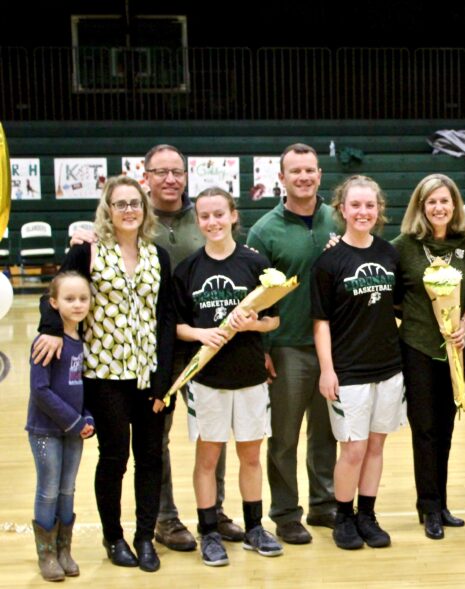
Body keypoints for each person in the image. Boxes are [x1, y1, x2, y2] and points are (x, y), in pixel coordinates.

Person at [65, 144, 244, 549]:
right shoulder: (121, 230)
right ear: (145, 176)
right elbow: (71, 281)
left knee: (212, 434)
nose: (170, 179)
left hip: (206, 346)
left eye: (176, 171)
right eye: (160, 172)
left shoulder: (204, 216)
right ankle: (165, 519)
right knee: (151, 444)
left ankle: (213, 512)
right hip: (149, 353)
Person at [33, 175, 176, 571]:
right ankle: (113, 537)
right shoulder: (88, 252)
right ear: (108, 211)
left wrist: (165, 378)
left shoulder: (158, 256)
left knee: (151, 457)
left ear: (145, 209)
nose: (129, 210)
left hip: (149, 376)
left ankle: (144, 536)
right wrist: (50, 329)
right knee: (114, 457)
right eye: (120, 204)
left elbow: (166, 318)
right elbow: (55, 294)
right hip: (103, 375)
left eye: (135, 203)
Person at [172, 188, 284, 566]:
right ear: (197, 221)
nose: (213, 222)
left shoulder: (255, 263)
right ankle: (209, 532)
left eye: (219, 214)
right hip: (207, 381)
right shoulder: (188, 269)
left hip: (251, 377)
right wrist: (201, 334)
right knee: (208, 459)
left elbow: (274, 319)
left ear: (233, 215)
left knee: (250, 457)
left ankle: (254, 528)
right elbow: (177, 326)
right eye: (205, 216)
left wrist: (253, 324)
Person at [247, 143, 338, 544]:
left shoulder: (338, 218)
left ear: (320, 175)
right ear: (281, 178)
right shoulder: (264, 230)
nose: (304, 177)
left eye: (310, 170)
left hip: (332, 346)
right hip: (287, 347)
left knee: (327, 433)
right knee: (284, 436)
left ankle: (324, 504)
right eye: (295, 171)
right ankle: (285, 513)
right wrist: (263, 349)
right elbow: (254, 297)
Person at [311, 175, 405, 550]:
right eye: (355, 205)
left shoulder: (389, 254)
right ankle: (343, 517)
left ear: (379, 210)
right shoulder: (328, 261)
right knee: (353, 448)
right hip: (348, 370)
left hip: (388, 367)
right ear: (342, 209)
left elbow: (400, 306)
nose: (363, 212)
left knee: (376, 446)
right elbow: (321, 322)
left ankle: (367, 514)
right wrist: (327, 369)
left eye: (370, 205)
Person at [392, 174, 465, 540]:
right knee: (424, 429)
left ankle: (441, 502)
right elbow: (393, 298)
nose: (439, 208)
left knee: (446, 428)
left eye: (444, 201)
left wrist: (464, 324)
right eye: (432, 202)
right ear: (421, 207)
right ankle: (429, 507)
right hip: (417, 348)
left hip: (456, 350)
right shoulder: (402, 247)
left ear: (454, 205)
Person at [27, 271, 95, 582]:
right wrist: (74, 421)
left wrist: (88, 418)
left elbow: (83, 388)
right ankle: (47, 554)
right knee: (49, 490)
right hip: (46, 431)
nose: (78, 304)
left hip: (74, 431)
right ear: (53, 303)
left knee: (68, 489)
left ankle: (64, 549)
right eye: (69, 299)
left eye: (83, 298)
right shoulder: (45, 342)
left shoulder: (84, 341)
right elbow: (40, 390)